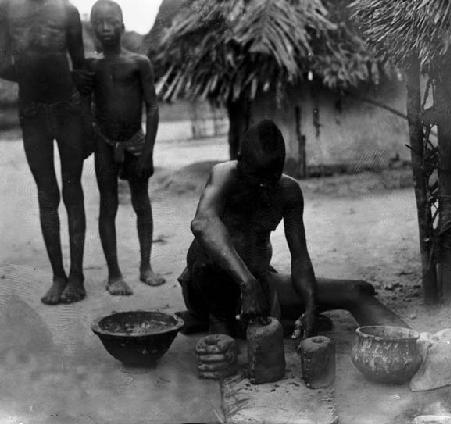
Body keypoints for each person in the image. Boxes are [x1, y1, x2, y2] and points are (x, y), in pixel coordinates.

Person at [178, 120, 408, 339]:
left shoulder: (288, 191)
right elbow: (203, 223)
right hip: (210, 287)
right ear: (240, 160)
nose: (262, 188)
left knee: (356, 291)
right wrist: (247, 284)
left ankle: (421, 346)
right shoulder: (223, 174)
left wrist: (310, 306)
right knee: (225, 331)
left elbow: (299, 257)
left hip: (261, 281)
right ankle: (226, 323)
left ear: (281, 169)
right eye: (255, 178)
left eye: (270, 179)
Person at [0, 0, 92, 305]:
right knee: (46, 194)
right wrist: (33, 70)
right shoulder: (6, 10)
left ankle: (76, 275)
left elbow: (80, 67)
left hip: (68, 109)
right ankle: (58, 275)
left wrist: (87, 123)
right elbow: (1, 60)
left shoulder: (68, 11)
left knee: (71, 188)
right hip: (32, 112)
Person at [86, 0, 165, 295]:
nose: (106, 28)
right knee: (107, 206)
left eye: (112, 21)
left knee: (141, 204)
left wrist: (148, 152)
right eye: (100, 22)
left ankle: (146, 267)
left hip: (135, 141)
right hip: (105, 143)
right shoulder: (92, 66)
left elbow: (153, 108)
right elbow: (83, 103)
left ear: (122, 22)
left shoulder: (139, 63)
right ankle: (115, 274)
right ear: (93, 26)